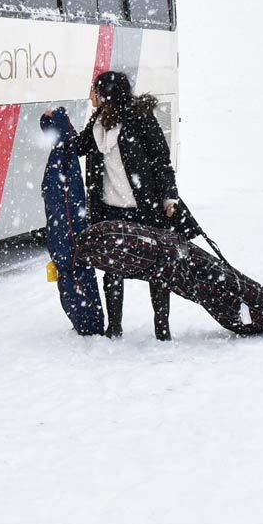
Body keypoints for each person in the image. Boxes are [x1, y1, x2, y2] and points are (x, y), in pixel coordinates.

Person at [69, 69, 193, 340]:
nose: (91, 95)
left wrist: (169, 197)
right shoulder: (98, 124)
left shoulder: (140, 120)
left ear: (106, 94)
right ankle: (114, 328)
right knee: (113, 268)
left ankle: (162, 329)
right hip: (110, 209)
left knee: (157, 270)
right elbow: (76, 147)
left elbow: (161, 160)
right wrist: (56, 122)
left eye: (95, 90)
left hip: (145, 208)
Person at [39, 106, 105, 335]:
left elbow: (64, 204)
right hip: (65, 236)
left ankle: (90, 323)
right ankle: (89, 321)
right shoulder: (63, 153)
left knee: (73, 272)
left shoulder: (62, 156)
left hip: (66, 238)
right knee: (73, 273)